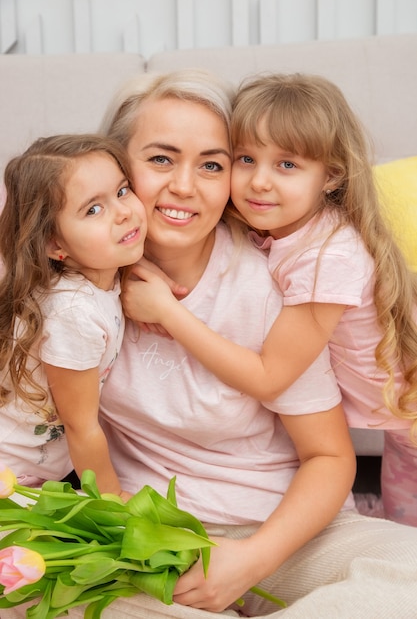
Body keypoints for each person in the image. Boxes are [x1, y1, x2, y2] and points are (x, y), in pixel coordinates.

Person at [98, 68, 417, 618]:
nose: (184, 186)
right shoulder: (71, 280)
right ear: (114, 168)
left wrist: (250, 561)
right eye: (160, 159)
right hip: (153, 543)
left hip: (282, 534)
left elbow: (327, 452)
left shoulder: (281, 278)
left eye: (213, 165)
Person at [0, 134, 146, 499]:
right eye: (93, 209)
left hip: (47, 472)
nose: (124, 211)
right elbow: (83, 429)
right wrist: (114, 510)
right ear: (55, 244)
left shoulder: (99, 274)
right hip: (13, 479)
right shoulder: (73, 315)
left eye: (123, 191)